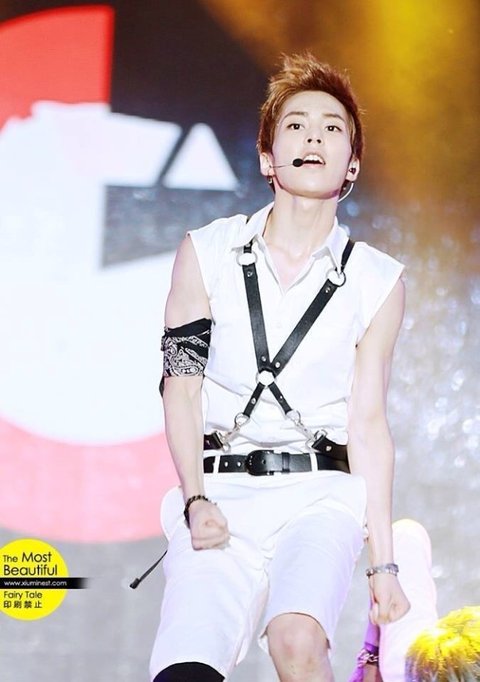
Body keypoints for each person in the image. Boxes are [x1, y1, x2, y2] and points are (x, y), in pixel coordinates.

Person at [150, 52, 410, 682]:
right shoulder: (206, 252)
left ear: (352, 163)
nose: (313, 137)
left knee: (298, 639)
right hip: (219, 492)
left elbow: (368, 423)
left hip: (319, 494)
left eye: (331, 127)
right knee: (185, 669)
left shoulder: (377, 280)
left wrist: (383, 565)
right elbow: (180, 387)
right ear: (268, 157)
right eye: (296, 125)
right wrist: (195, 500)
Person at [351, 520, 480, 682]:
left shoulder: (400, 662)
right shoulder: (402, 658)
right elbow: (405, 535)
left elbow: (406, 535)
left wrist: (373, 655)